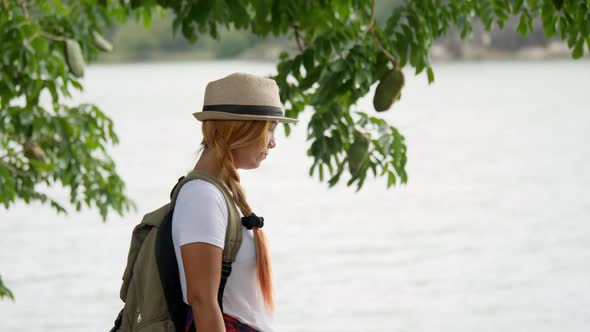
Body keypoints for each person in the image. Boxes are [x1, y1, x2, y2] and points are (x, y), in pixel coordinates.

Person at [171, 72, 298, 332]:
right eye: (270, 127)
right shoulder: (202, 197)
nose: (273, 143)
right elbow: (202, 300)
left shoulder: (217, 193)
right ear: (240, 129)